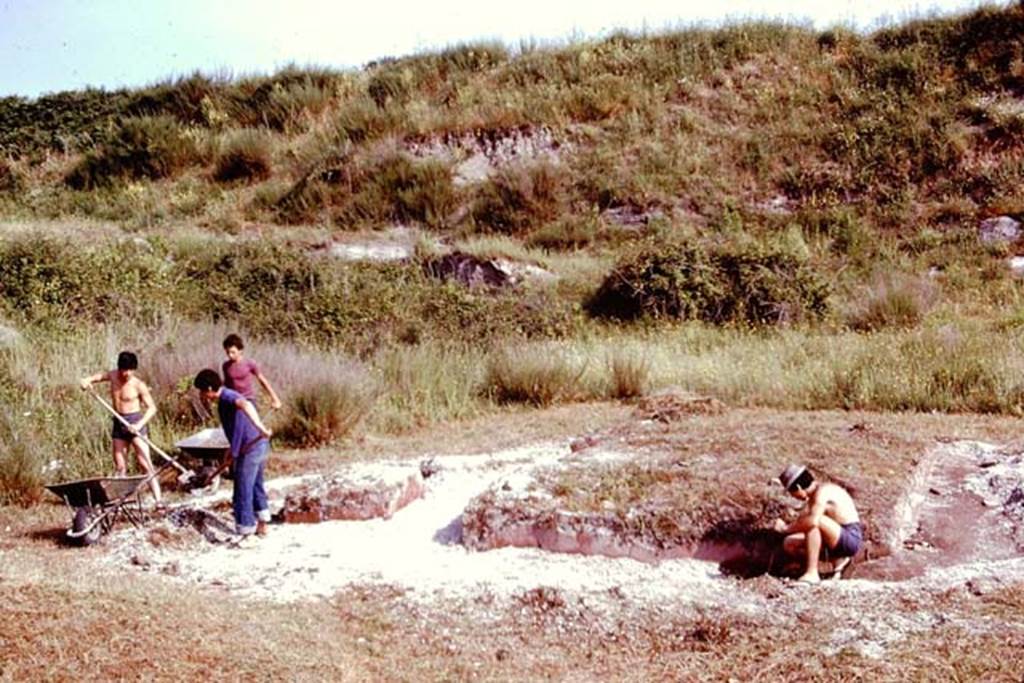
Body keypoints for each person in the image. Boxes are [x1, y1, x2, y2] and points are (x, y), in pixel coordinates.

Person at [193, 368, 273, 545]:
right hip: (253, 446)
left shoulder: (228, 397)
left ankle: (247, 533)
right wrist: (231, 450)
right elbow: (236, 425)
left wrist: (260, 428)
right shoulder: (224, 399)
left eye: (201, 391)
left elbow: (246, 405)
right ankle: (263, 524)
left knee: (242, 489)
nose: (201, 395)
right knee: (255, 485)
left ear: (209, 388)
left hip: (251, 446)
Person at [79, 351, 162, 507]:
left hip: (136, 423)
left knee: (145, 463)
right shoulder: (112, 375)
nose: (126, 373)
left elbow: (152, 408)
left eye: (130, 370)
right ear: (119, 368)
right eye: (124, 370)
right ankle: (120, 501)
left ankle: (158, 501)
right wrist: (87, 380)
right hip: (119, 424)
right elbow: (97, 377)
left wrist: (138, 425)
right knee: (120, 466)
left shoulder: (138, 385)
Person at [773, 464, 863, 583]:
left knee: (814, 522)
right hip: (835, 537)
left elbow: (813, 521)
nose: (793, 497)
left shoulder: (822, 492)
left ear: (799, 487)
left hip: (850, 537)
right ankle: (835, 560)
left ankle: (812, 573)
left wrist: (785, 528)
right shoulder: (814, 497)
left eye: (792, 493)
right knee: (789, 543)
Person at [221, 333, 282, 411]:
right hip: (234, 402)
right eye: (228, 353)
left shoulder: (249, 363)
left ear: (240, 350)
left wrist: (275, 399)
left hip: (248, 400)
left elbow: (262, 381)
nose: (230, 355)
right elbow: (226, 384)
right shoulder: (226, 366)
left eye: (233, 352)